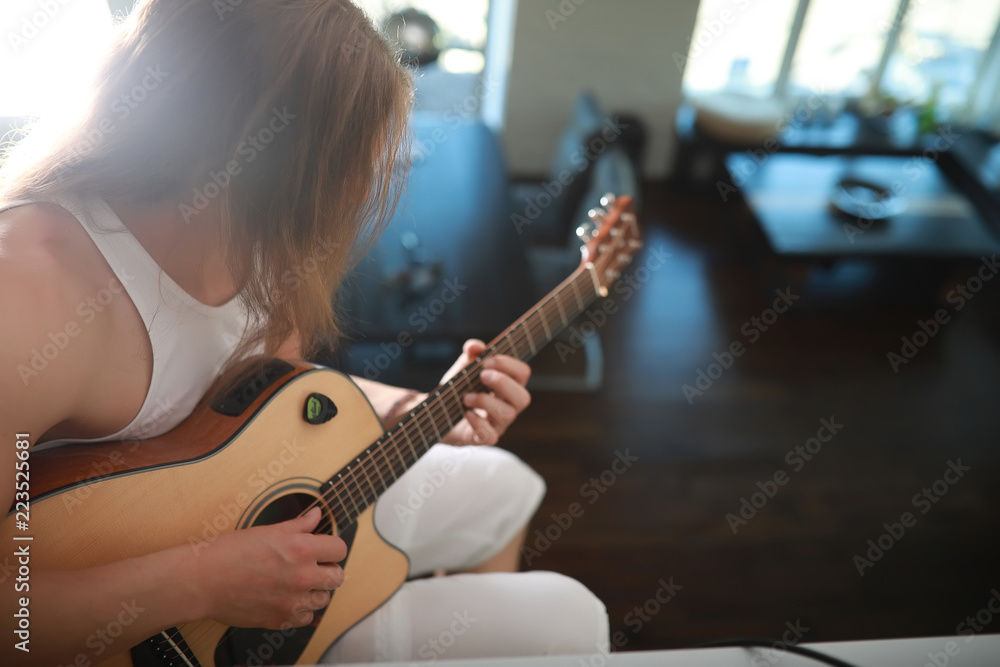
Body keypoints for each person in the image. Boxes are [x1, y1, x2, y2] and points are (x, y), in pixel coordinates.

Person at [0, 0, 608, 664]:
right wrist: (201, 581)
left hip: (250, 522)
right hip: (156, 627)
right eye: (344, 171)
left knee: (507, 482)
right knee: (572, 618)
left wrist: (416, 406)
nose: (351, 198)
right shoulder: (29, 292)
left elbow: (274, 394)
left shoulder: (255, 234)